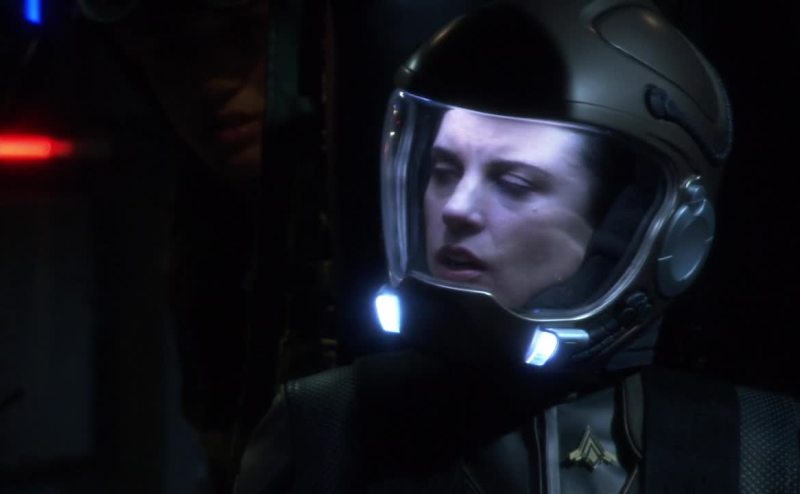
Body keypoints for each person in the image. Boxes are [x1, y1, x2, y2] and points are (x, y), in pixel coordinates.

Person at [235, 0, 800, 492]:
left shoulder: (761, 450)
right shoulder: (324, 427)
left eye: (514, 182)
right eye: (443, 170)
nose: (456, 209)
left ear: (640, 227)